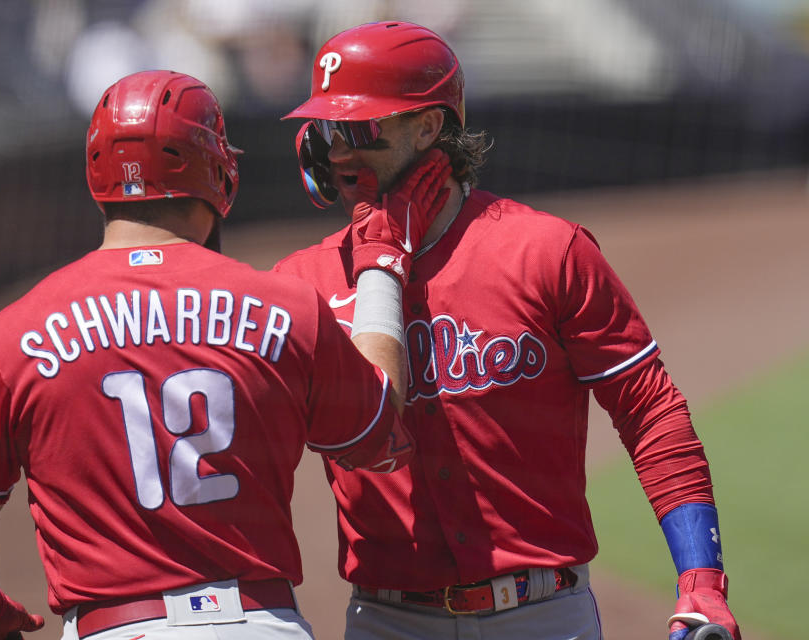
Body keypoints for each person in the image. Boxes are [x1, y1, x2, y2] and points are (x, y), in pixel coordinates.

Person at [274, 21, 742, 640]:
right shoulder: (299, 283)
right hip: (387, 620)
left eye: (361, 128)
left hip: (545, 617)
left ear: (428, 126)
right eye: (329, 129)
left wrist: (701, 583)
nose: (337, 153)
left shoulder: (544, 252)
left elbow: (651, 411)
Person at [0, 69, 427, 640]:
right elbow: (380, 438)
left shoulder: (12, 336)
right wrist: (381, 258)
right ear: (216, 170)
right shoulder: (288, 307)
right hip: (260, 626)